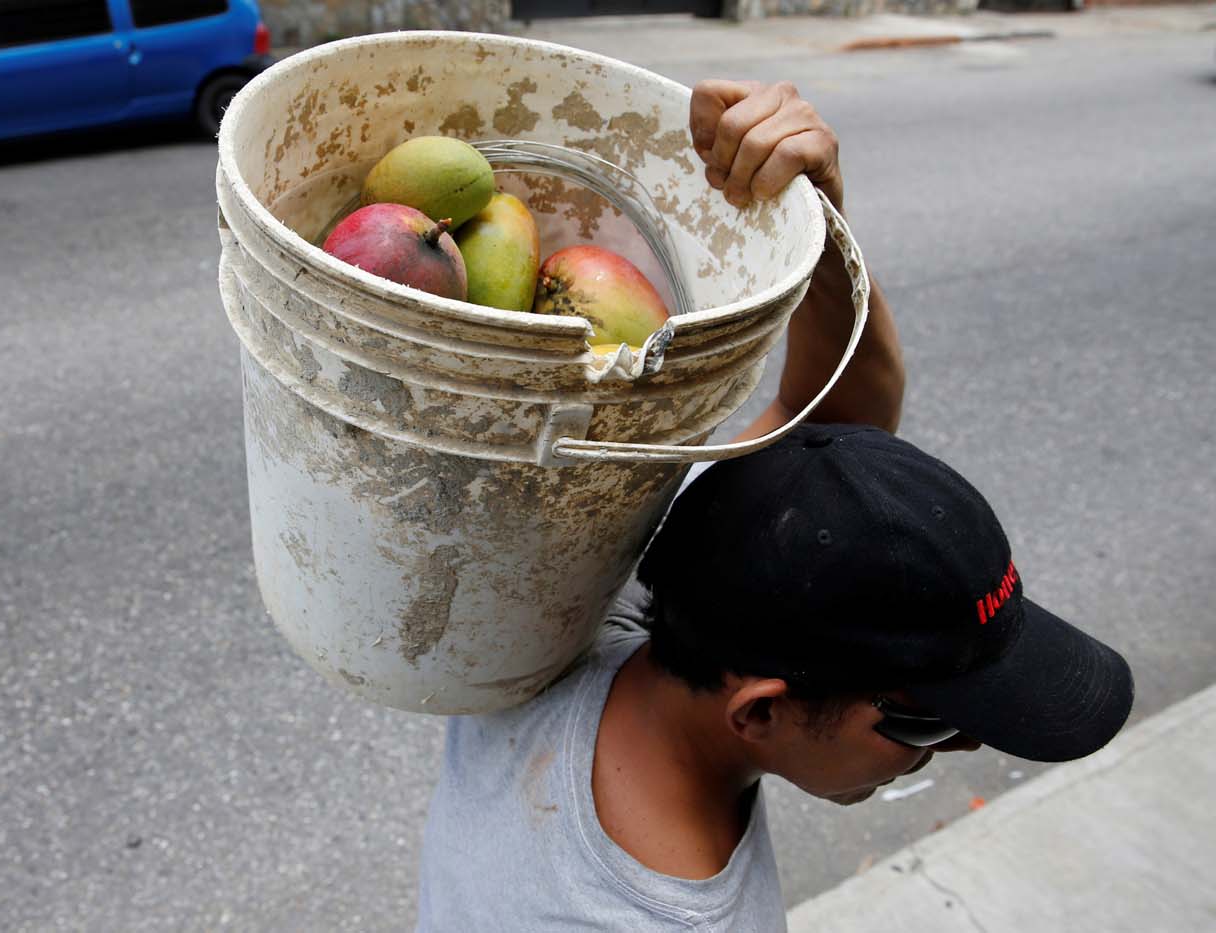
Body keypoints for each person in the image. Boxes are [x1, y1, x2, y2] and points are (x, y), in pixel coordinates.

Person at [414, 79, 1133, 931]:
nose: (970, 741)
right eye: (928, 721)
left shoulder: (574, 605)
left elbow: (829, 420)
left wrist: (818, 221)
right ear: (758, 708)